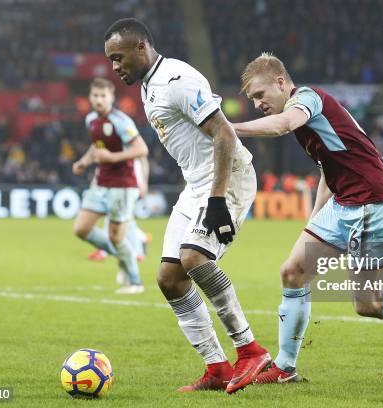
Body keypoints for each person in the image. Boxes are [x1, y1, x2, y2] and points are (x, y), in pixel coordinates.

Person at [232, 53, 383, 384]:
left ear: (281, 82)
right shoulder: (306, 116)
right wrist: (312, 223)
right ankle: (285, 369)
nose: (258, 103)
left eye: (260, 95)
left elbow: (283, 124)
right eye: (253, 99)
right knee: (292, 272)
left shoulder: (307, 99)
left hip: (372, 204)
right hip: (345, 203)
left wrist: (228, 128)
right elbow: (327, 169)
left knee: (369, 304)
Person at [103, 18, 270, 393]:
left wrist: (216, 199)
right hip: (196, 185)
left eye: (118, 57)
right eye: (111, 61)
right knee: (168, 279)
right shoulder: (148, 87)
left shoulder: (177, 81)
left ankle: (250, 351)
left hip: (227, 177)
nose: (115, 67)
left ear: (141, 48)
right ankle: (217, 368)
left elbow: (225, 134)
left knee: (195, 259)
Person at [72, 77, 148, 294]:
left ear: (111, 98)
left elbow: (141, 149)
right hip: (101, 182)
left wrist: (112, 158)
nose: (98, 100)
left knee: (116, 237)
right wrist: (83, 163)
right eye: (95, 95)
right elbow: (97, 147)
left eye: (103, 96)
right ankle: (126, 255)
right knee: (81, 228)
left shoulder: (120, 121)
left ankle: (134, 281)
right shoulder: (91, 120)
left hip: (122, 185)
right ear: (90, 97)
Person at [88, 157, 152, 266]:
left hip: (129, 184)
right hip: (120, 183)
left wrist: (143, 182)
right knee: (122, 216)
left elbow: (142, 157)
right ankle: (140, 240)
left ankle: (105, 251)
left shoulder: (130, 144)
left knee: (119, 216)